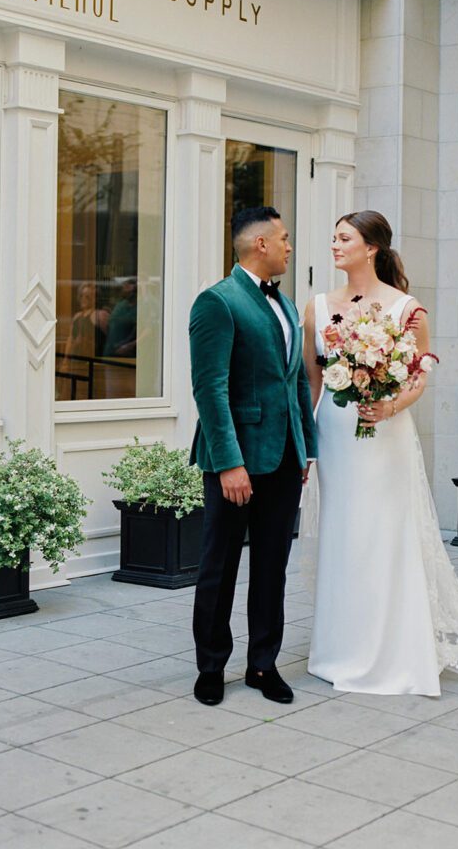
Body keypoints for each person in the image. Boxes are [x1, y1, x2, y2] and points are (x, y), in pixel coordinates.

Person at [302, 210, 458, 695]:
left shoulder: (405, 309)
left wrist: (389, 404)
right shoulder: (316, 306)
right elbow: (311, 383)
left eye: (344, 238)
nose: (334, 245)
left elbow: (419, 376)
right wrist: (308, 450)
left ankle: (392, 650)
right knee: (343, 536)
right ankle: (340, 648)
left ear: (370, 246)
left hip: (385, 436)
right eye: (332, 237)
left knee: (382, 535)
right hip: (334, 437)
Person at [189, 206, 318, 706]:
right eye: (284, 238)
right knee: (218, 567)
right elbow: (210, 388)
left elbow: (295, 385)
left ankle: (263, 665)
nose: (289, 246)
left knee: (271, 567)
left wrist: (305, 448)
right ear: (260, 244)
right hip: (236, 461)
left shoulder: (286, 306)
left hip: (284, 458)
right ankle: (211, 667)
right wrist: (229, 462)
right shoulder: (216, 303)